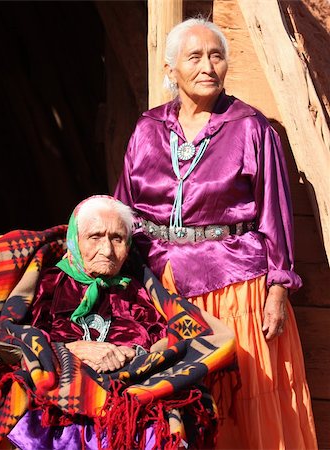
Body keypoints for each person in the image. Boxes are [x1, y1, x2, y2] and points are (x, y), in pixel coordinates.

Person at [115, 17, 318, 450]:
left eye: (216, 56)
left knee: (244, 402)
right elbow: (123, 209)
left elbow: (274, 212)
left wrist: (278, 287)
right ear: (171, 70)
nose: (208, 66)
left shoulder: (250, 127)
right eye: (194, 57)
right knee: (173, 408)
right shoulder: (147, 129)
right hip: (161, 290)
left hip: (235, 290)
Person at [7, 195, 168, 449]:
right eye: (95, 237)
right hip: (65, 394)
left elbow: (161, 340)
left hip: (126, 395)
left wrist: (130, 353)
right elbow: (27, 338)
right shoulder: (51, 284)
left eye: (117, 239)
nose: (107, 250)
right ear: (75, 240)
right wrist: (72, 350)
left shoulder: (135, 290)